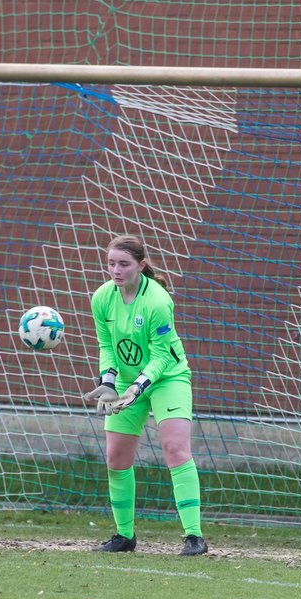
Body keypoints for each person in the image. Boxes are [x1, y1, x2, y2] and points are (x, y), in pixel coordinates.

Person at [81, 235, 207, 557]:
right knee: (116, 457)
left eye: (123, 264)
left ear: (141, 265)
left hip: (168, 379)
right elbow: (107, 346)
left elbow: (162, 357)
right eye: (111, 263)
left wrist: (135, 390)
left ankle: (194, 536)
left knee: (176, 449)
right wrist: (109, 384)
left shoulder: (158, 301)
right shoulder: (101, 298)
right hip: (125, 383)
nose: (115, 270)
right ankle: (124, 536)